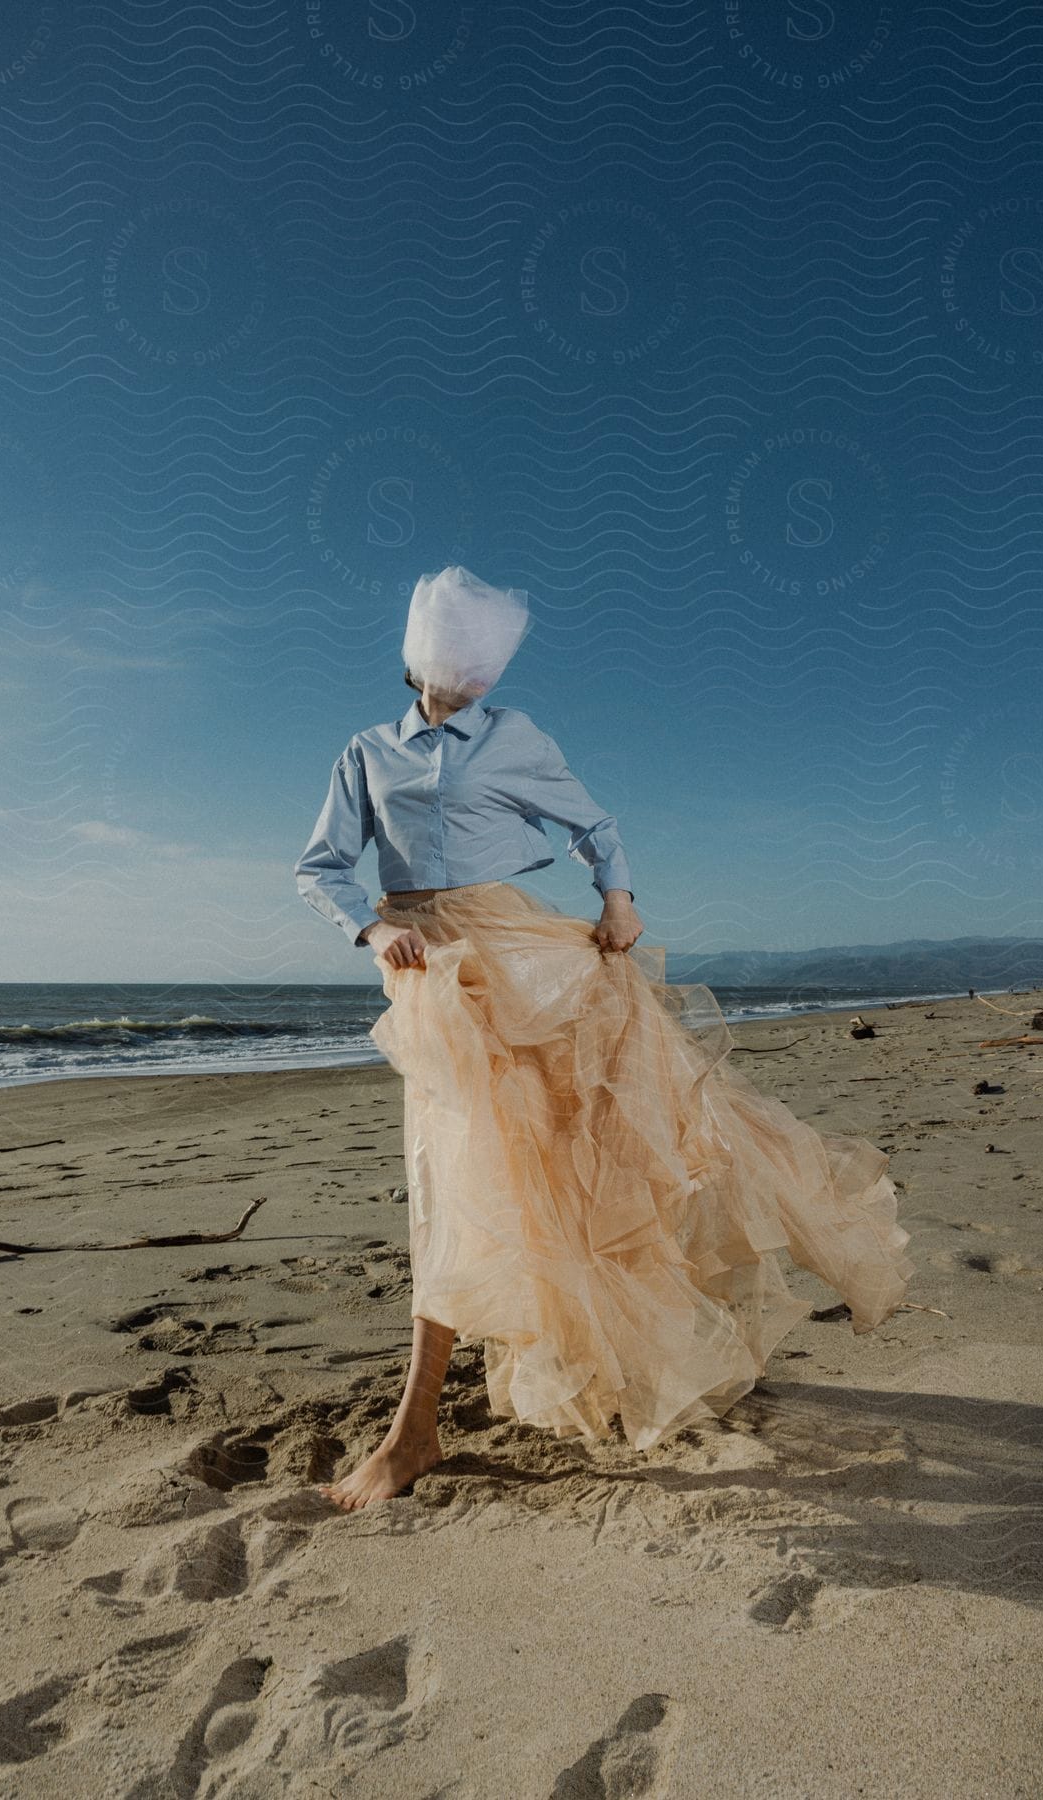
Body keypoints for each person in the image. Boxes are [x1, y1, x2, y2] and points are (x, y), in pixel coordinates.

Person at [295, 565, 915, 1511]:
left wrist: (617, 899)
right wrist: (375, 929)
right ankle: (416, 1429)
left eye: (489, 664)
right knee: (457, 1188)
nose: (482, 681)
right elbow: (322, 867)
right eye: (465, 662)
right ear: (421, 659)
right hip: (432, 979)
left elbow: (596, 825)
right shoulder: (368, 750)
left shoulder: (515, 737)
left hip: (527, 961)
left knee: (579, 1173)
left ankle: (436, 1424)